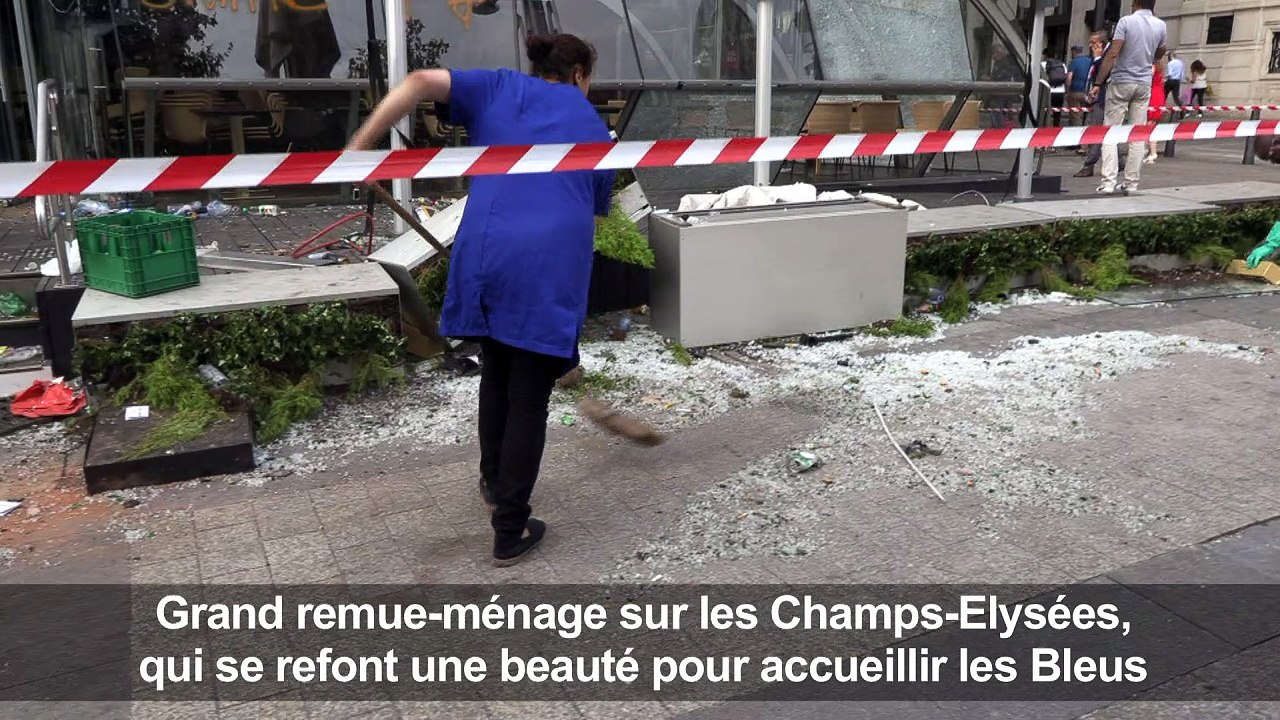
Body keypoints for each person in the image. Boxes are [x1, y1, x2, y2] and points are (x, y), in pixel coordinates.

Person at [347, 33, 615, 567]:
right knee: (528, 398)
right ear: (581, 74)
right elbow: (595, 211)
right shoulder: (591, 125)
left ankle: (494, 484)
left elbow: (419, 81)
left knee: (496, 373)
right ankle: (510, 529)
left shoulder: (499, 87)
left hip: (487, 252)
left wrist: (358, 150)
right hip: (544, 266)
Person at [1092, 0, 1167, 195]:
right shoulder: (1160, 25)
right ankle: (1131, 182)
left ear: (1135, 3)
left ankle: (1108, 181)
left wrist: (1098, 82)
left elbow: (1113, 52)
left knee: (1111, 131)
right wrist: (1149, 55)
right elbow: (1161, 51)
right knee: (1138, 133)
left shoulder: (1125, 22)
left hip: (1121, 80)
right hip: (1143, 83)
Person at [1075, 30, 1115, 177]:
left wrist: (1097, 58)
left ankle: (1089, 164)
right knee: (1108, 130)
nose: (1091, 46)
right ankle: (1120, 163)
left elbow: (1102, 74)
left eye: (1093, 43)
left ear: (1101, 43)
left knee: (1096, 130)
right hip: (1100, 97)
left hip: (1105, 99)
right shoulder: (1100, 55)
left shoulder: (1107, 55)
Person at [1145, 58, 1166, 164]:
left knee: (1148, 125)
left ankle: (1151, 152)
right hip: (1159, 94)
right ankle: (1151, 151)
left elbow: (1148, 80)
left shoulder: (1152, 68)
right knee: (1152, 124)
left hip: (1152, 95)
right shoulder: (1161, 70)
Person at [1041, 48, 1069, 128]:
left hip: (1048, 91)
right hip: (1060, 91)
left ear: (1045, 55)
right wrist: (1066, 90)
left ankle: (1044, 127)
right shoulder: (1062, 64)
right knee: (1057, 113)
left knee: (1045, 111)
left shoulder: (1043, 64)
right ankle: (1056, 128)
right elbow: (1066, 78)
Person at [1067, 44, 1093, 125]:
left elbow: (1069, 77)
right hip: (1087, 92)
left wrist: (1067, 90)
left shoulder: (1074, 62)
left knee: (1075, 116)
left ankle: (1075, 131)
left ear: (1074, 52)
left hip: (1075, 92)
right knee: (1085, 114)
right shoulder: (1090, 61)